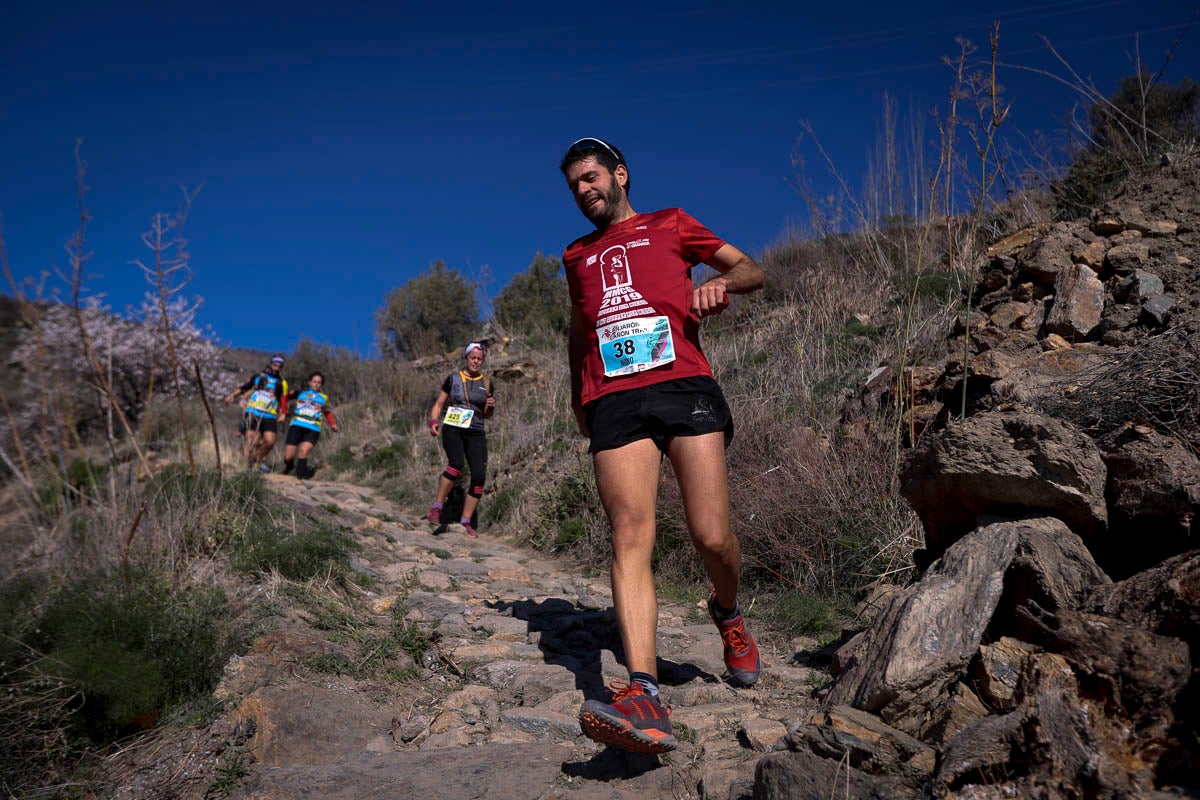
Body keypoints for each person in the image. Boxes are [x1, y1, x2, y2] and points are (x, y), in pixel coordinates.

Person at [559, 137, 765, 754]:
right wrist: (579, 397)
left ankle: (727, 613)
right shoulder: (576, 255)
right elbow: (579, 331)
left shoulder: (671, 224)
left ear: (619, 174)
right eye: (574, 185)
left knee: (712, 536)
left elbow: (750, 268)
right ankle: (643, 691)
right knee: (629, 534)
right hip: (613, 399)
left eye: (591, 177)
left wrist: (719, 284)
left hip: (683, 385)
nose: (583, 190)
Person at [426, 342, 495, 538]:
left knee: (479, 476)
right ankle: (437, 508)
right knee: (456, 463)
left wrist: (490, 406)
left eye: (479, 359)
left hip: (476, 430)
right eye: (473, 358)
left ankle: (466, 521)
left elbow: (487, 414)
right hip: (454, 427)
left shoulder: (487, 383)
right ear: (466, 358)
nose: (476, 361)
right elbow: (439, 404)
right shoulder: (453, 379)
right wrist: (434, 421)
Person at [224, 354, 289, 472]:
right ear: (271, 363)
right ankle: (243, 468)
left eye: (280, 365)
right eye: (275, 364)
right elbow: (244, 388)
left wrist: (283, 413)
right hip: (253, 411)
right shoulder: (258, 377)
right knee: (251, 440)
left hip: (270, 414)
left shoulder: (282, 383)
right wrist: (232, 396)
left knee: (270, 441)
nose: (277, 366)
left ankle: (256, 461)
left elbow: (284, 399)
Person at [282, 371, 339, 479]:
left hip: (313, 428)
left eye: (319, 382)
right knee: (288, 456)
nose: (316, 384)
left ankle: (299, 478)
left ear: (321, 385)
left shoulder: (323, 398)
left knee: (304, 451)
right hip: (296, 425)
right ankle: (289, 466)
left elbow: (327, 411)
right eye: (314, 381)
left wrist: (333, 424)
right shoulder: (300, 393)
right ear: (309, 382)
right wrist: (284, 411)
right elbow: (285, 397)